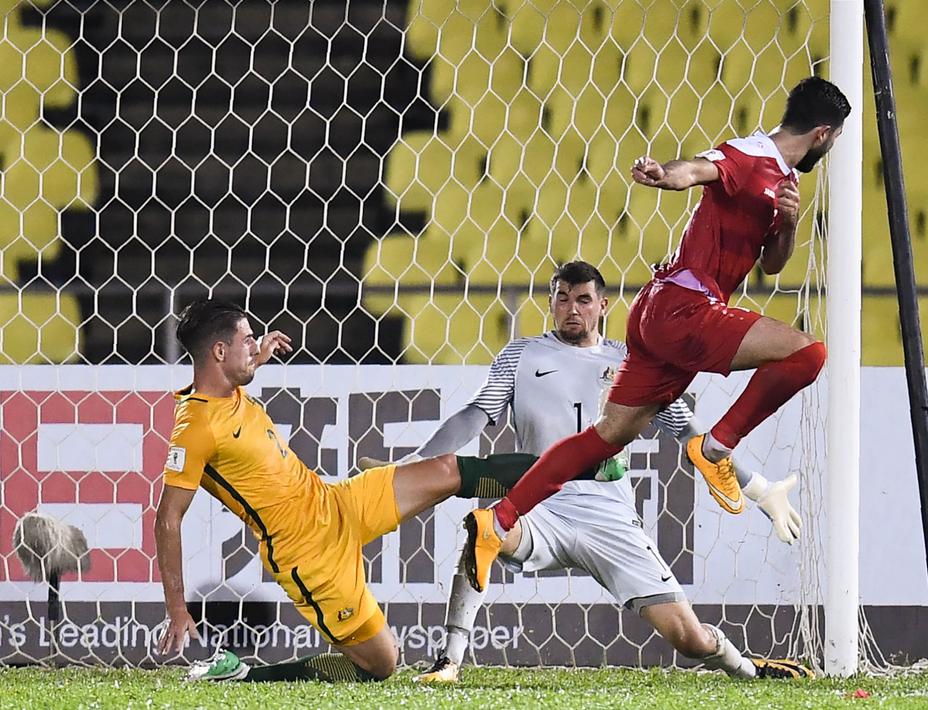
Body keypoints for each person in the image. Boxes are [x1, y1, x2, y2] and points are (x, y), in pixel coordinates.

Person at [461, 77, 850, 595]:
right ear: (823, 133)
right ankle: (714, 449)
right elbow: (697, 170)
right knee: (809, 354)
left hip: (658, 311)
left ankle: (501, 519)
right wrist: (664, 173)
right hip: (683, 308)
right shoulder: (750, 154)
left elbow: (773, 265)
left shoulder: (779, 181)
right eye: (836, 139)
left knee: (606, 437)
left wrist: (787, 223)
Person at [361, 261, 808, 682]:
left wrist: (756, 487)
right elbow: (474, 415)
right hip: (540, 504)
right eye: (561, 299)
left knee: (690, 640)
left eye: (582, 300)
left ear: (603, 305)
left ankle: (748, 669)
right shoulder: (522, 355)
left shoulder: (634, 364)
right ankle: (448, 662)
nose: (571, 309)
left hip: (609, 514)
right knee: (484, 531)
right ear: (551, 302)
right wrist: (412, 464)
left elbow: (693, 437)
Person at [153, 299, 622, 682]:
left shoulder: (229, 388)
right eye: (247, 339)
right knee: (382, 663)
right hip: (307, 553)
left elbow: (229, 375)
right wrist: (178, 610)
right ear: (218, 353)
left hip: (335, 501)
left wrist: (255, 358)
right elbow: (168, 517)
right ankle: (243, 677)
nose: (256, 345)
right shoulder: (195, 427)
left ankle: (587, 464)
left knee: (446, 470)